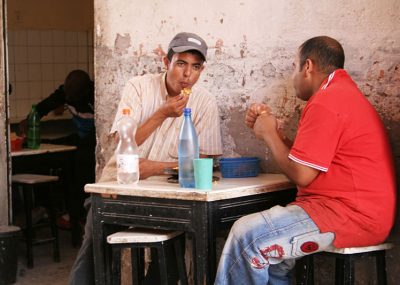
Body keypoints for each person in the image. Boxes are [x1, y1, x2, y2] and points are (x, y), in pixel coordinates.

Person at [214, 36, 396, 285]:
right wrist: (276, 133)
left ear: (307, 66)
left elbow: (302, 174)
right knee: (273, 259)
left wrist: (269, 136)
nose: (292, 77)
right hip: (357, 212)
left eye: (293, 67)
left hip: (350, 215)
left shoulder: (327, 101)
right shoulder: (340, 94)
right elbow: (310, 161)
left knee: (247, 236)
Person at [69, 32, 222, 285]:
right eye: (181, 63)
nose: (187, 74)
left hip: (168, 192)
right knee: (94, 243)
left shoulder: (204, 102)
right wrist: (161, 113)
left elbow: (205, 159)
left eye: (195, 67)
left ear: (201, 70)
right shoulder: (138, 87)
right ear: (166, 62)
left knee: (173, 246)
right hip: (120, 185)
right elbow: (124, 140)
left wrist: (157, 168)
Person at [19, 69, 95, 244]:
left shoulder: (96, 95)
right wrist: (30, 119)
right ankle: (45, 207)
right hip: (79, 139)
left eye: (73, 99)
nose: (69, 101)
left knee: (79, 167)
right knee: (47, 152)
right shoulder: (65, 93)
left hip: (93, 143)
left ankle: (75, 216)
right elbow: (44, 106)